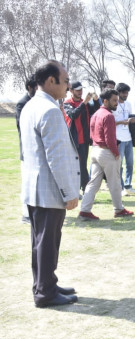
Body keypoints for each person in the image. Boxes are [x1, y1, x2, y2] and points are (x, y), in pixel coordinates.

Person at [20, 60, 80, 307]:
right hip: (49, 189)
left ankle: (46, 284)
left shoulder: (31, 106)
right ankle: (45, 292)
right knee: (48, 242)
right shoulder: (50, 111)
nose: (67, 86)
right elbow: (57, 158)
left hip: (36, 189)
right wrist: (69, 192)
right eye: (65, 81)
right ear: (50, 81)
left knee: (41, 241)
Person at [78, 89, 134, 220]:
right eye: (114, 101)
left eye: (116, 100)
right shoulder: (108, 116)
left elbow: (92, 134)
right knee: (115, 183)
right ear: (105, 101)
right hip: (106, 152)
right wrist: (116, 153)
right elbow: (110, 139)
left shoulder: (96, 114)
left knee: (93, 183)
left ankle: (84, 211)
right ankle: (119, 209)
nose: (116, 103)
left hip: (96, 150)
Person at [64, 81, 100, 198]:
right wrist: (84, 102)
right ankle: (82, 189)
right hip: (73, 140)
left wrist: (95, 100)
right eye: (77, 90)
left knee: (82, 165)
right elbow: (73, 115)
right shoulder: (67, 103)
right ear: (71, 91)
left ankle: (84, 190)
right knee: (77, 166)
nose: (80, 92)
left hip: (84, 140)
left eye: (81, 90)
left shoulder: (83, 103)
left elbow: (96, 111)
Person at [16, 76, 38, 224]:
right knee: (27, 182)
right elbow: (22, 128)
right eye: (36, 87)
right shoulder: (22, 103)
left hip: (37, 151)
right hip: (27, 150)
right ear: (30, 87)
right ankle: (26, 214)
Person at [113, 83, 135, 196]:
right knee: (119, 165)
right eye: (123, 92)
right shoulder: (114, 105)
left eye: (127, 92)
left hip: (128, 137)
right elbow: (110, 122)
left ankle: (128, 185)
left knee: (130, 164)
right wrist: (122, 122)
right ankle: (121, 187)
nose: (125, 95)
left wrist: (131, 121)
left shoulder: (128, 104)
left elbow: (130, 118)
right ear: (118, 93)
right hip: (119, 139)